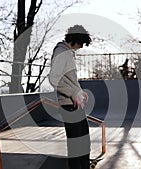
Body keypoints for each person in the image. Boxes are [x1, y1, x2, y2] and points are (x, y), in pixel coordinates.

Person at [49, 25, 92, 169]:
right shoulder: (61, 52)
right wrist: (73, 93)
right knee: (76, 147)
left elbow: (68, 79)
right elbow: (54, 78)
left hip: (75, 104)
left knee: (84, 142)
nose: (80, 47)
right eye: (80, 43)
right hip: (69, 105)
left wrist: (78, 91)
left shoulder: (67, 52)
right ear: (75, 40)